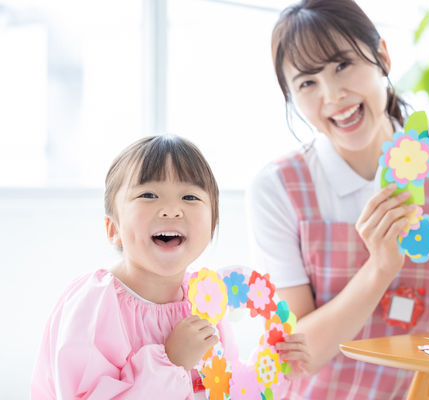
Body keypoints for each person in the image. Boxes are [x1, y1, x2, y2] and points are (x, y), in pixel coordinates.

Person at [247, 1, 429, 399]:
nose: (333, 95)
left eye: (342, 65)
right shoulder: (278, 188)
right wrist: (380, 268)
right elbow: (295, 356)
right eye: (307, 83)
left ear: (382, 56)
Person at [31, 135, 309, 399]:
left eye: (190, 197)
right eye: (148, 195)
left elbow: (225, 388)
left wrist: (276, 370)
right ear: (113, 228)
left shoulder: (206, 299)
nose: (172, 210)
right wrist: (171, 362)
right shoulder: (94, 305)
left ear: (212, 226)